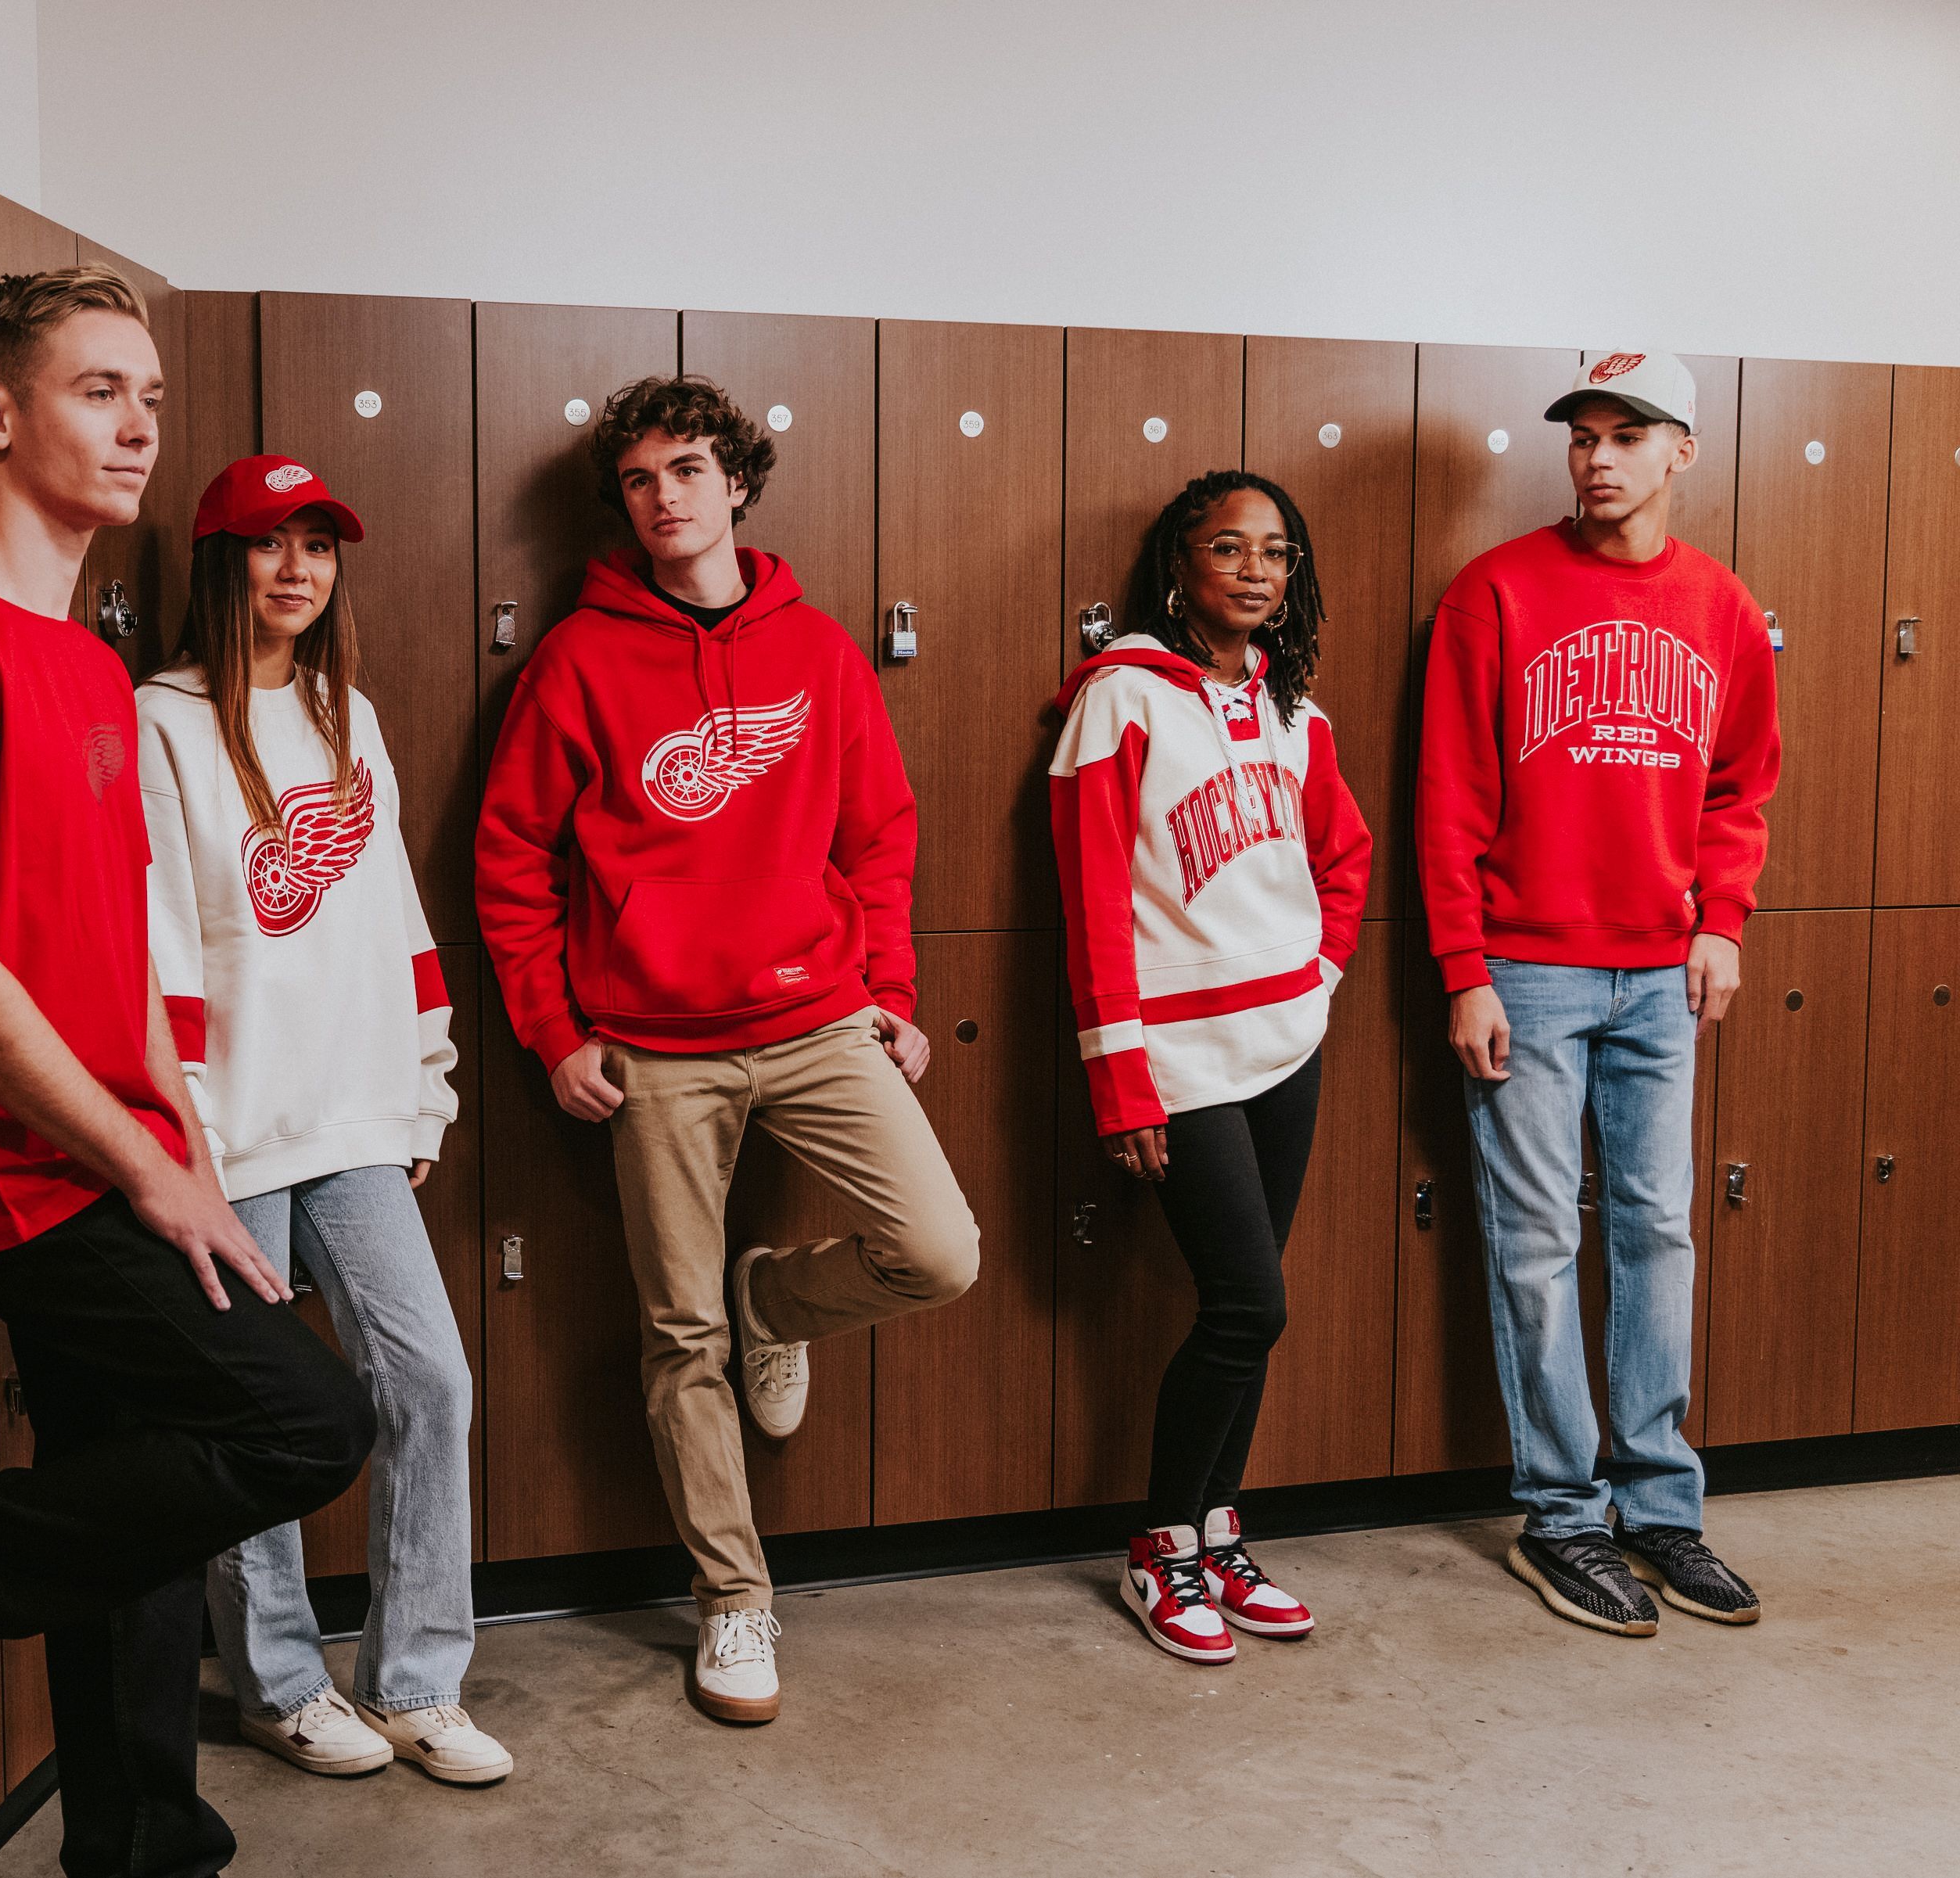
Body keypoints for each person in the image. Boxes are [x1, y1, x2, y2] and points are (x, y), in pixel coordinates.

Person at [0, 267, 373, 1878]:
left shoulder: (80, 661)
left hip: (121, 1142)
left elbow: (114, 951)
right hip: (9, 1172)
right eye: (93, 391)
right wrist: (145, 1175)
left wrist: (182, 1139)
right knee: (307, 1423)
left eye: (147, 393)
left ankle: (144, 1851)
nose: (136, 424)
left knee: (137, 1495)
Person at [474, 374, 979, 1725]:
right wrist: (552, 1029)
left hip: (818, 1019)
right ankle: (734, 1604)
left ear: (737, 483)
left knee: (939, 1251)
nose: (665, 499)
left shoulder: (816, 652)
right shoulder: (578, 660)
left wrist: (890, 983)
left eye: (688, 470)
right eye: (639, 481)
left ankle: (780, 1301)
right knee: (675, 1334)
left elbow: (878, 829)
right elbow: (512, 858)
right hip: (653, 1048)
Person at [138, 454, 509, 1786]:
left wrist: (427, 1075)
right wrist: (181, 1129)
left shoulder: (350, 715)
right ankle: (277, 1679)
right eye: (266, 543)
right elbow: (162, 942)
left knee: (430, 1382)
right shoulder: (162, 720)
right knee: (257, 1417)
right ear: (215, 560)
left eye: (318, 544)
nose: (297, 568)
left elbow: (394, 918)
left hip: (355, 1115)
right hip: (231, 1129)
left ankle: (416, 1680)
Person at [1417, 350, 1780, 1637]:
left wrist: (1722, 922)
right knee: (1535, 1241)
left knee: (1657, 1229)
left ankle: (1661, 1504)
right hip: (1527, 963)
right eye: (1583, 434)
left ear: (1683, 452)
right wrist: (1465, 969)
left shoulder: (1724, 609)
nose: (1598, 457)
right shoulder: (1496, 594)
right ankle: (1563, 1516)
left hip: (1664, 971)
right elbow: (1449, 799)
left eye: (1630, 434)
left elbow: (1741, 787)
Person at [1051, 471, 1372, 1664]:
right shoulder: (1123, 699)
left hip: (1286, 1038)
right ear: (1176, 564)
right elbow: (1091, 903)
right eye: (1226, 546)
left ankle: (1217, 1526)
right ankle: (1159, 1547)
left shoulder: (1298, 712)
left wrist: (1319, 971)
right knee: (1249, 1305)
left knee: (1254, 1308)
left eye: (1276, 553)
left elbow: (1346, 857)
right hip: (1178, 1052)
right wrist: (1118, 1075)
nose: (1253, 569)